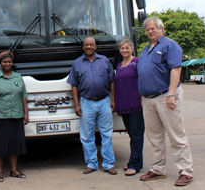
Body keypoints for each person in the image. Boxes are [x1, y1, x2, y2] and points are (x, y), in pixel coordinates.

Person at [137, 17, 194, 186]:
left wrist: (171, 94)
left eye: (153, 28)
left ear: (161, 28)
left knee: (176, 135)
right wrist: (143, 96)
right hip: (148, 99)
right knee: (154, 137)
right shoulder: (145, 49)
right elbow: (144, 74)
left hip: (165, 96)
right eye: (147, 29)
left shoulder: (170, 45)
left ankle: (186, 171)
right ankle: (158, 169)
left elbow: (176, 69)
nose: (150, 31)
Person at [67, 37, 117, 175]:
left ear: (95, 47)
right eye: (86, 45)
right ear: (83, 47)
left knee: (106, 134)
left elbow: (112, 81)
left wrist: (113, 100)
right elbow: (74, 86)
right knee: (87, 136)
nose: (89, 47)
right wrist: (76, 105)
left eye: (91, 45)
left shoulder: (105, 60)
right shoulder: (77, 63)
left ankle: (108, 164)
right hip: (86, 103)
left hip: (104, 102)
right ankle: (91, 164)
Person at [0, 51, 29, 182]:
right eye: (5, 62)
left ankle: (14, 170)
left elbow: (24, 96)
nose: (7, 64)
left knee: (14, 145)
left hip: (16, 116)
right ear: (0, 63)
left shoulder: (18, 77)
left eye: (9, 62)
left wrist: (26, 114)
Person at [112, 39, 144, 176]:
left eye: (127, 48)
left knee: (137, 135)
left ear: (132, 48)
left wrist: (143, 98)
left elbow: (143, 79)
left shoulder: (137, 62)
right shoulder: (119, 65)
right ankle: (136, 161)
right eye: (122, 48)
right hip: (124, 105)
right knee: (132, 134)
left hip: (136, 104)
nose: (125, 50)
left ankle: (134, 164)